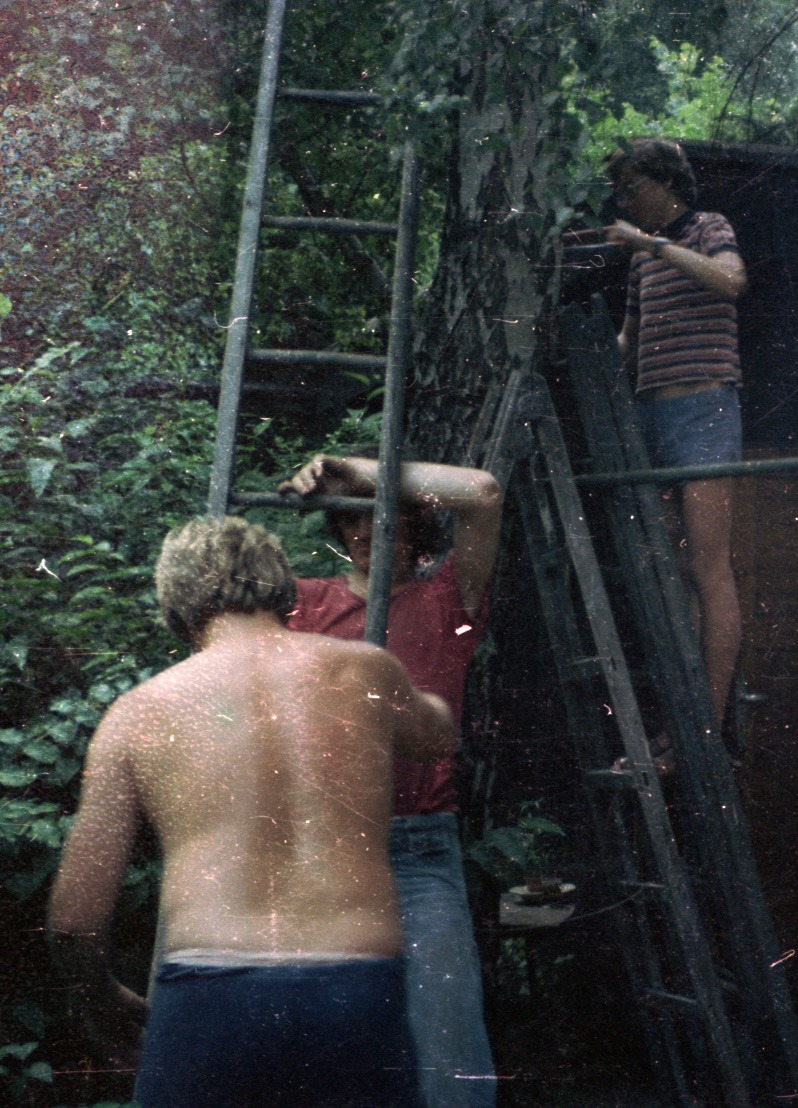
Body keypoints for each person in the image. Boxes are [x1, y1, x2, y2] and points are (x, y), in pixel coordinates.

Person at [48, 516, 456, 1107]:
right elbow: (438, 736)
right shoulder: (364, 669)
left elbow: (73, 923)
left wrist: (100, 1002)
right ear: (281, 586)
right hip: (355, 987)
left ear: (175, 604)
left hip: (210, 995)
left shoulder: (135, 716)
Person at [278, 453, 503, 1108]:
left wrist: (352, 470)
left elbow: (483, 493)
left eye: (391, 520)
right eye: (355, 520)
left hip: (418, 855)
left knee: (448, 1061)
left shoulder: (448, 600)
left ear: (419, 531)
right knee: (320, 1062)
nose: (371, 532)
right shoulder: (303, 603)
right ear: (341, 532)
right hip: (321, 849)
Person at [605, 137, 747, 736]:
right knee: (666, 568)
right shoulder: (641, 261)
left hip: (705, 408)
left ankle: (708, 723)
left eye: (633, 188)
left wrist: (653, 245)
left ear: (666, 184)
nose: (626, 200)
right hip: (650, 416)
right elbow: (627, 341)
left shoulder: (707, 227)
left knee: (707, 567)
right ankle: (678, 716)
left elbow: (732, 282)